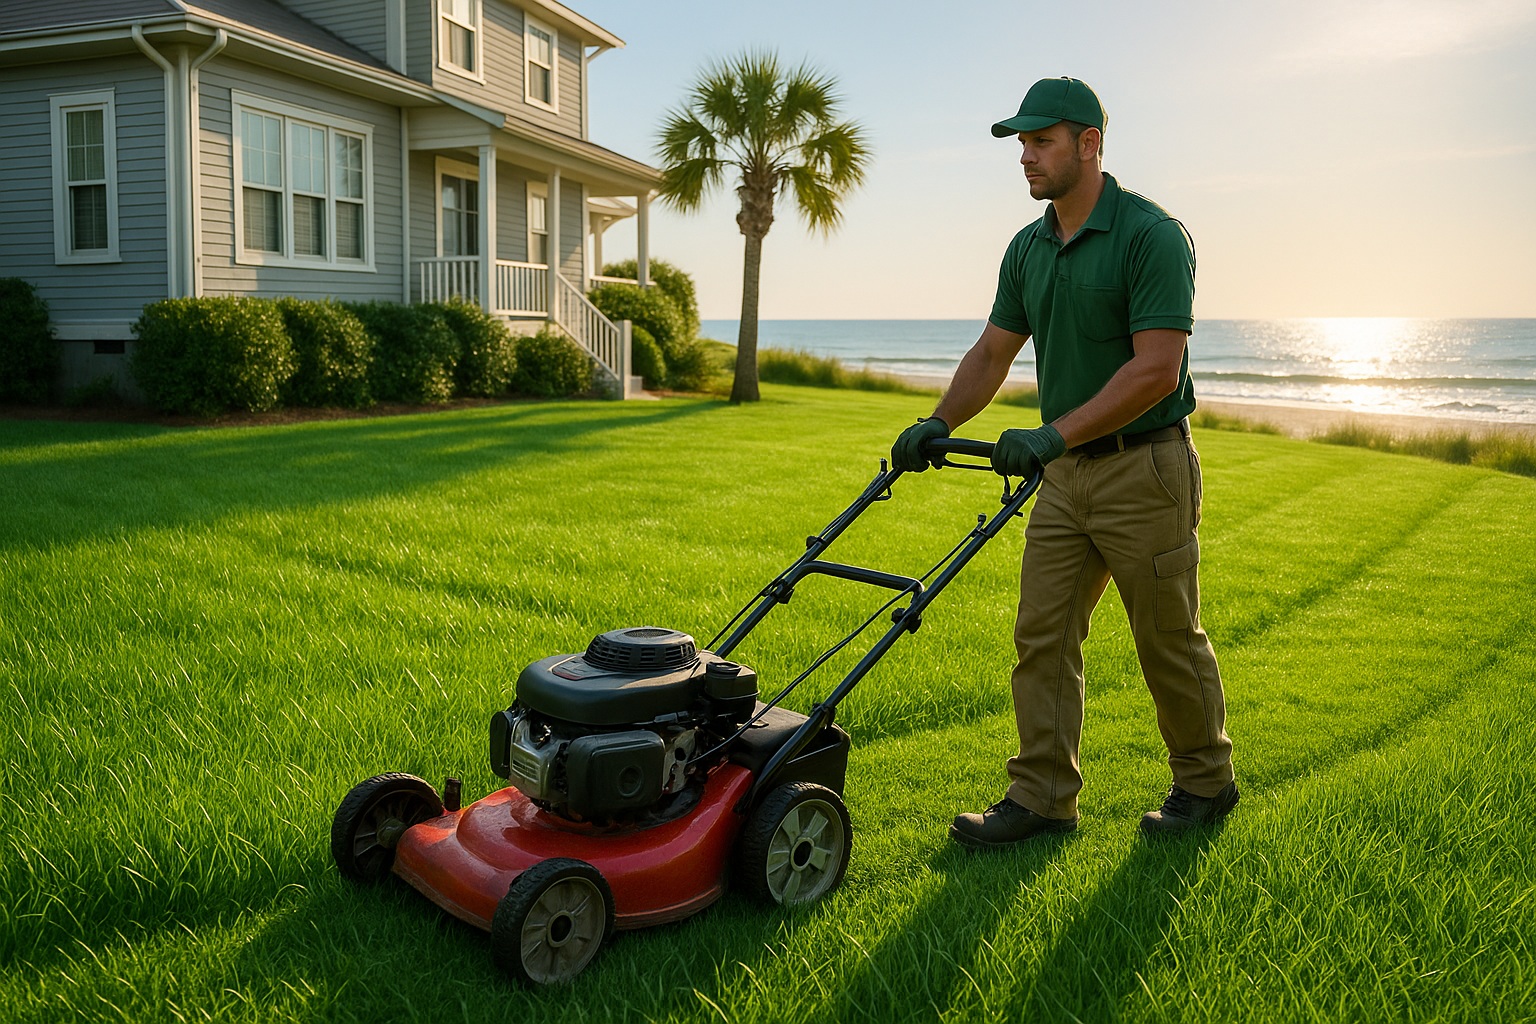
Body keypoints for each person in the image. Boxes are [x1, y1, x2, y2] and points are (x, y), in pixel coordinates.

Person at [891, 77, 1236, 845]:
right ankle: (1044, 797)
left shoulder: (1151, 234)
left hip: (1144, 468)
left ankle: (1206, 783)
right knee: (1042, 635)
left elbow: (1154, 368)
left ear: (1089, 143)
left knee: (1166, 637)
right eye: (1021, 142)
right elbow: (992, 352)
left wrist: (1050, 435)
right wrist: (939, 420)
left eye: (1041, 141)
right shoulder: (1029, 247)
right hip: (1066, 479)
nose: (1025, 157)